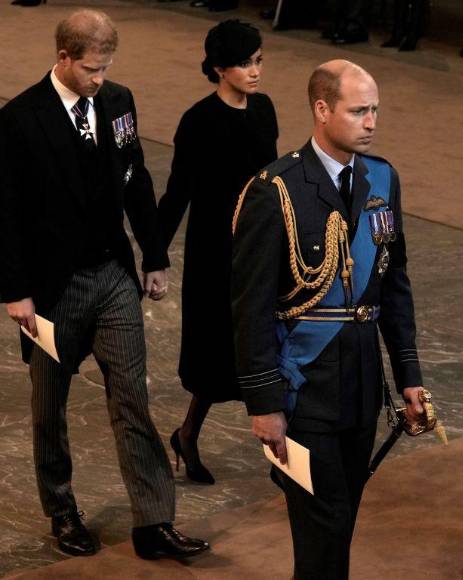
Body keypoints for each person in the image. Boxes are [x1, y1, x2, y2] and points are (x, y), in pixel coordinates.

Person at [0, 9, 208, 560]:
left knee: (132, 398)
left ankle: (153, 520)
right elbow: (6, 213)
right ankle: (62, 510)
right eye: (92, 69)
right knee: (50, 408)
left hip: (113, 276)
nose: (100, 78)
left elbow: (135, 177)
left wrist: (155, 254)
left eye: (106, 67)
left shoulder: (118, 102)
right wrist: (14, 291)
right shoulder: (20, 119)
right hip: (51, 290)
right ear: (64, 56)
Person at [231, 59, 426, 579]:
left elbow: (394, 283)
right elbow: (249, 307)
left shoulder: (383, 178)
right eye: (358, 110)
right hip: (305, 390)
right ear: (322, 109)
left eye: (375, 110)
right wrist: (264, 403)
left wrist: (409, 377)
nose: (371, 122)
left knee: (338, 528)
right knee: (324, 526)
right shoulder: (276, 190)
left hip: (362, 387)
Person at [157, 20, 278, 485]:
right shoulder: (198, 121)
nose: (255, 71)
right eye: (246, 63)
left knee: (267, 349)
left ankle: (279, 457)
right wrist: (155, 254)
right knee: (215, 356)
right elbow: (178, 193)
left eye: (259, 61)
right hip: (215, 252)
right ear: (218, 68)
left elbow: (274, 180)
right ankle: (187, 434)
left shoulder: (264, 110)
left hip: (261, 244)